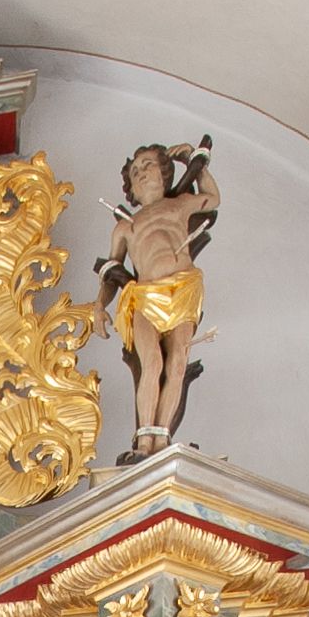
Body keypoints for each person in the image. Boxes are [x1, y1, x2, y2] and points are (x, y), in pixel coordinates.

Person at [98, 137, 217, 460]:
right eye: (135, 170)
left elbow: (212, 199)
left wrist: (195, 163)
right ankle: (144, 440)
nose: (141, 171)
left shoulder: (179, 206)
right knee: (151, 361)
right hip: (144, 295)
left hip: (183, 288)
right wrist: (99, 306)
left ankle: (161, 438)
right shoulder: (126, 226)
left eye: (148, 165)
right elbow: (111, 269)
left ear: (165, 173)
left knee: (177, 362)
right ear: (131, 190)